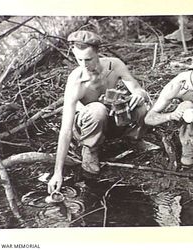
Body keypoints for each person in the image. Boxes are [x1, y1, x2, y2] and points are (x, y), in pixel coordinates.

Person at [48, 30, 149, 193]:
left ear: (98, 53)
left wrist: (138, 95)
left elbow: (138, 90)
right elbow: (65, 130)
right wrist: (57, 172)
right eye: (79, 59)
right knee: (97, 109)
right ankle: (90, 151)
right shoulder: (76, 81)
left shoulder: (114, 65)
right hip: (86, 126)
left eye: (88, 59)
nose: (84, 65)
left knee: (141, 107)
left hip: (111, 120)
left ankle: (131, 141)